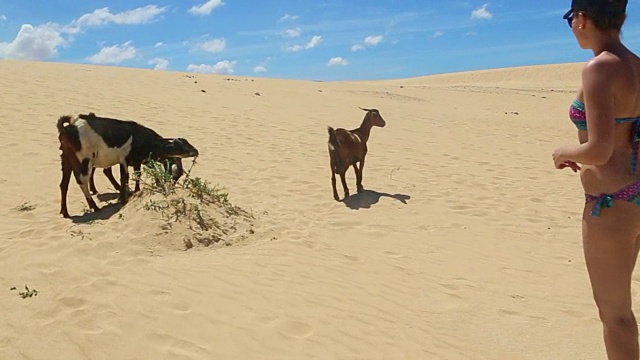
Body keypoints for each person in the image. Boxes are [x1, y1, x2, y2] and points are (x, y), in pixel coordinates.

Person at [553, 0, 640, 358]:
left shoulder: (599, 69)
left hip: (613, 203)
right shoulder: (636, 64)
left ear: (582, 19)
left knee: (615, 315)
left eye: (570, 18)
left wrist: (565, 153)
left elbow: (600, 150)